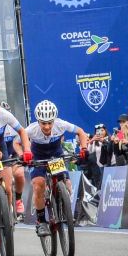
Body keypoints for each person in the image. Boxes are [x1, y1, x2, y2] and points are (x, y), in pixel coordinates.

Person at [24, 100, 89, 237]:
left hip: (56, 155)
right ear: (38, 121)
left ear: (54, 120)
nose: (47, 127)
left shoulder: (61, 124)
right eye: (43, 123)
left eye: (50, 123)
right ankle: (41, 221)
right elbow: (16, 142)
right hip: (38, 156)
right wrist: (24, 154)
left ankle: (61, 200)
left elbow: (81, 132)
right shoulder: (31, 129)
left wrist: (84, 148)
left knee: (67, 185)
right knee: (38, 185)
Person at [85, 124, 109, 188]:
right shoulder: (95, 141)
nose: (100, 132)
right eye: (98, 131)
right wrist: (92, 141)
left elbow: (110, 147)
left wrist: (103, 141)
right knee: (101, 181)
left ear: (105, 131)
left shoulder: (109, 138)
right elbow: (90, 151)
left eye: (102, 130)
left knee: (104, 182)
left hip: (109, 163)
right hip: (100, 165)